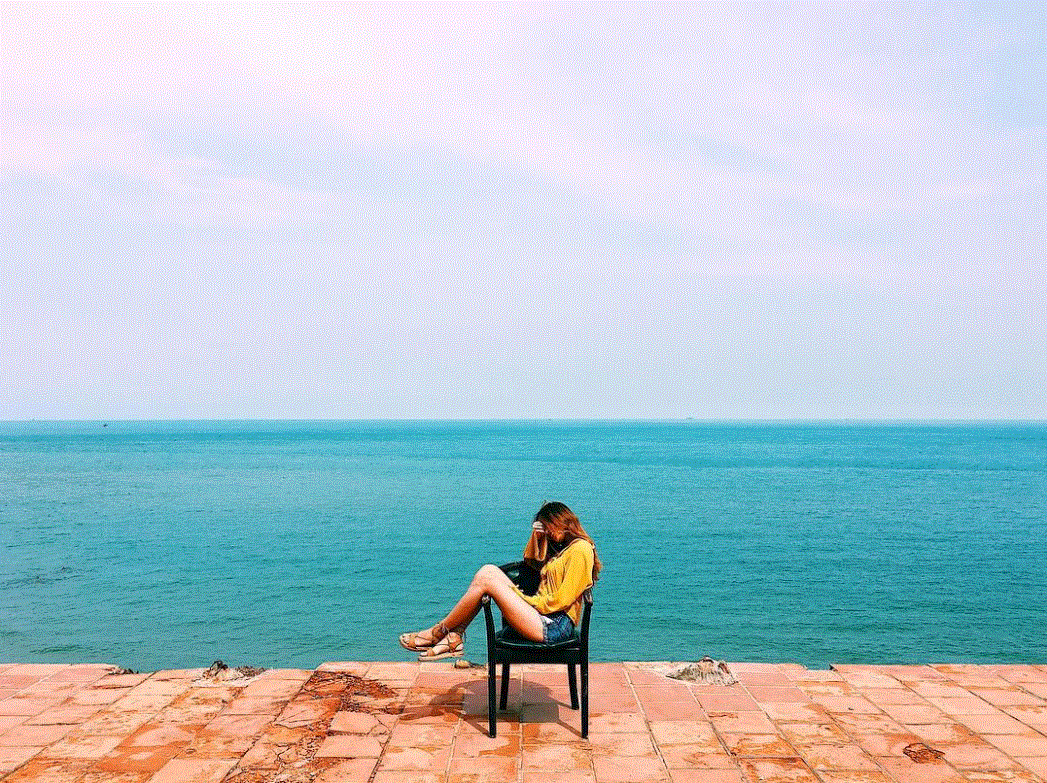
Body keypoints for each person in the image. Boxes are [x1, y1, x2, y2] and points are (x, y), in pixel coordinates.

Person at [399, 501, 603, 660]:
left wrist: (524, 599)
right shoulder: (563, 549)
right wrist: (537, 536)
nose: (547, 532)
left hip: (554, 626)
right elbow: (530, 562)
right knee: (488, 571)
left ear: (560, 521)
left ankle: (438, 633)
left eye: (547, 526)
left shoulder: (580, 550)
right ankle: (454, 636)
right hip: (543, 618)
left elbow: (561, 600)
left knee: (487, 579)